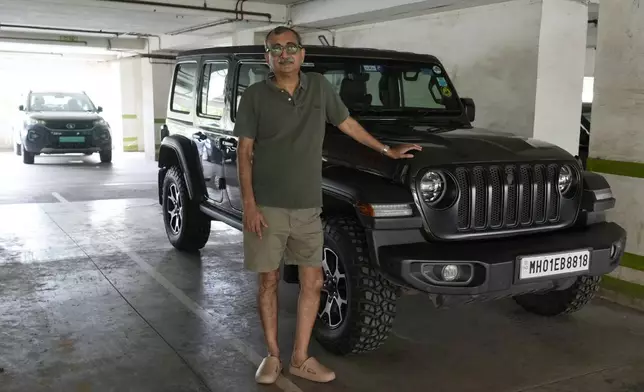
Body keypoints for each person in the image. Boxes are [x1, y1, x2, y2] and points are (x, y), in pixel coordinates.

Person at [233, 26, 422, 384]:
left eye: (291, 47)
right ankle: (273, 356)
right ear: (267, 57)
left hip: (307, 205)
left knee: (314, 282)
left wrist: (386, 150)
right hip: (268, 207)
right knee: (269, 282)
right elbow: (244, 151)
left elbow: (347, 123)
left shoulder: (319, 87)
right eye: (276, 49)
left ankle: (301, 357)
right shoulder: (255, 96)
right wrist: (249, 205)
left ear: (302, 54)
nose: (284, 54)